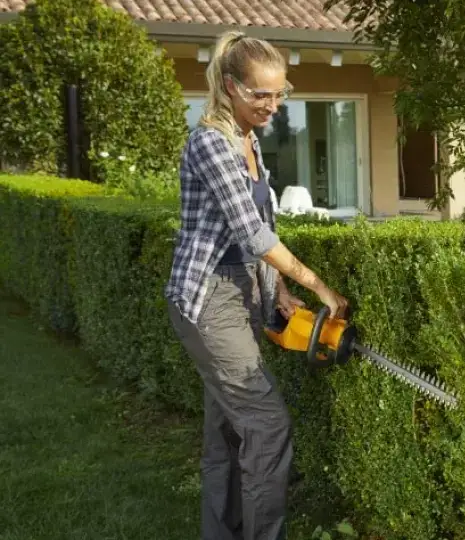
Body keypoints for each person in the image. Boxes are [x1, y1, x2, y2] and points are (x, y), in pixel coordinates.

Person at [164, 30, 349, 540]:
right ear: (229, 86)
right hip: (208, 300)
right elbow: (252, 233)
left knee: (227, 432)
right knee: (267, 426)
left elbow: (256, 229)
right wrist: (318, 286)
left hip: (240, 292)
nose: (272, 105)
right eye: (260, 94)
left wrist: (280, 293)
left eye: (279, 93)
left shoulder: (250, 142)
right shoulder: (211, 142)